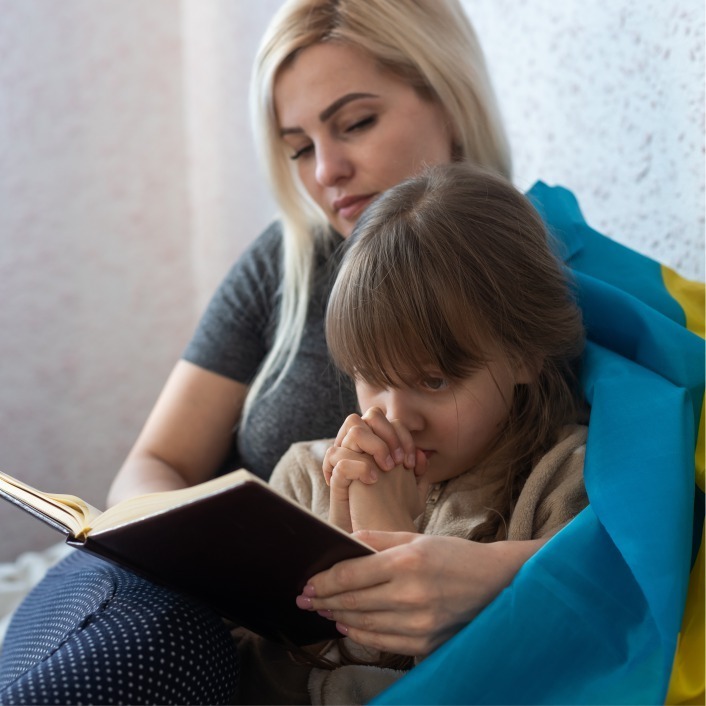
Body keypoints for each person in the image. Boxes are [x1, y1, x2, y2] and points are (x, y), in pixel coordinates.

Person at [0, 0, 701, 704]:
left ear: (449, 99)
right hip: (190, 592)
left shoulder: (523, 266)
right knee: (135, 643)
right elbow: (155, 464)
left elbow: (644, 518)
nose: (325, 171)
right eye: (298, 146)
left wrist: (480, 571)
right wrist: (205, 548)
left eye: (356, 123)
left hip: (315, 645)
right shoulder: (286, 261)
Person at [232, 162, 589, 705]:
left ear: (524, 354)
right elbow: (253, 671)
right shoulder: (305, 477)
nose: (397, 417)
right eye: (372, 378)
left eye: (435, 379)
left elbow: (534, 677)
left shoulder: (562, 483)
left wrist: (387, 533)